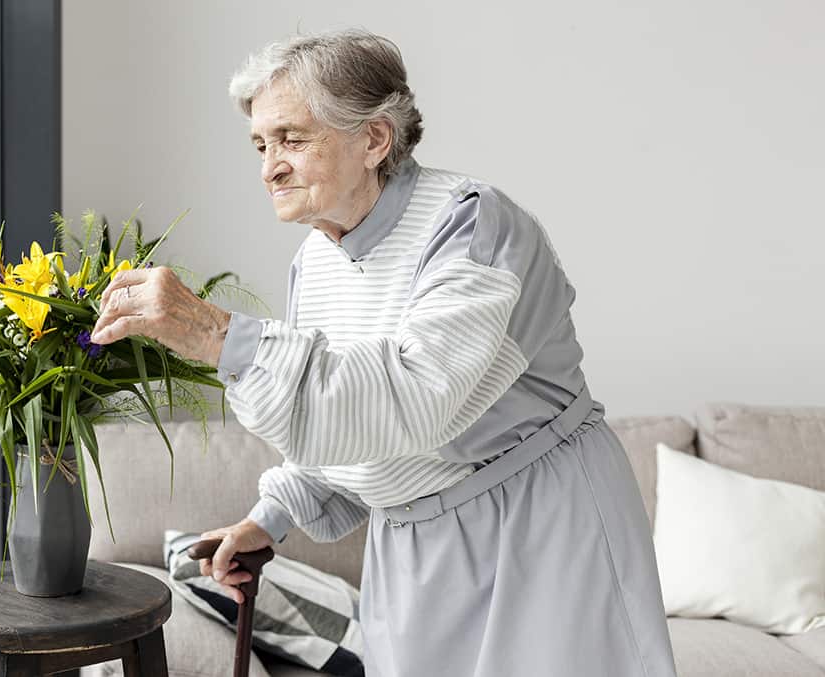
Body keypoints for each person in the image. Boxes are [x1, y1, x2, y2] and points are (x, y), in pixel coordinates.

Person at [90, 28, 678, 677]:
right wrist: (271, 516)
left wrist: (216, 334)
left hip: (537, 521)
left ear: (375, 139)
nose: (269, 166)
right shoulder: (315, 260)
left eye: (291, 138)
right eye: (260, 144)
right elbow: (344, 414)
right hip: (412, 544)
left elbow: (414, 397)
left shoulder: (473, 225)